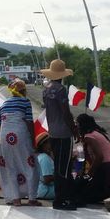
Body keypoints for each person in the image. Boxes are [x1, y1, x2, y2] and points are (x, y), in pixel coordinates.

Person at [40, 59, 78, 210]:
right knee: (64, 167)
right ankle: (60, 200)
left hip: (53, 132)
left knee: (59, 166)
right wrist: (74, 128)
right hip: (63, 133)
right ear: (62, 75)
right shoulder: (61, 89)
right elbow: (65, 113)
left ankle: (64, 197)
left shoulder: (46, 89)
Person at [0, 78, 40, 206]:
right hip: (20, 136)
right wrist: (33, 141)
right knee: (30, 165)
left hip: (5, 139)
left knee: (10, 167)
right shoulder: (25, 102)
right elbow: (29, 122)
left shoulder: (4, 104)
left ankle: (16, 199)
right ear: (24, 91)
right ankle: (32, 198)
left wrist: (0, 142)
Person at [75, 114, 110, 204]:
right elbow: (90, 159)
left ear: (82, 125)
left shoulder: (89, 137)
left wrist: (89, 175)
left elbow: (99, 157)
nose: (76, 127)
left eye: (77, 124)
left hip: (108, 168)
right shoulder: (96, 133)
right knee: (92, 191)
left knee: (86, 195)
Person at [35, 132, 55, 200]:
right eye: (50, 142)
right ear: (44, 144)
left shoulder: (42, 156)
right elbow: (47, 179)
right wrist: (60, 176)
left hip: (41, 190)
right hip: (46, 191)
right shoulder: (44, 158)